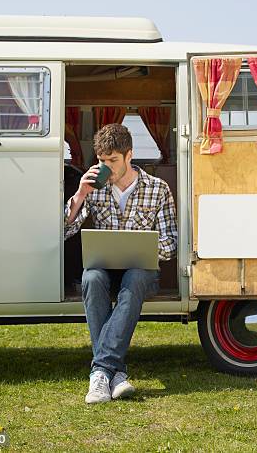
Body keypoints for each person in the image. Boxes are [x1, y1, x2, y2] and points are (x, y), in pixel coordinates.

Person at [64, 123, 177, 404]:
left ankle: (100, 371)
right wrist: (80, 194)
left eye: (113, 160)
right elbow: (64, 230)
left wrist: (144, 250)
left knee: (137, 276)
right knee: (91, 278)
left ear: (129, 156)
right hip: (106, 270)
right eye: (102, 161)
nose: (107, 167)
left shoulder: (157, 189)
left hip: (141, 272)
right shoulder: (94, 189)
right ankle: (116, 374)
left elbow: (171, 242)